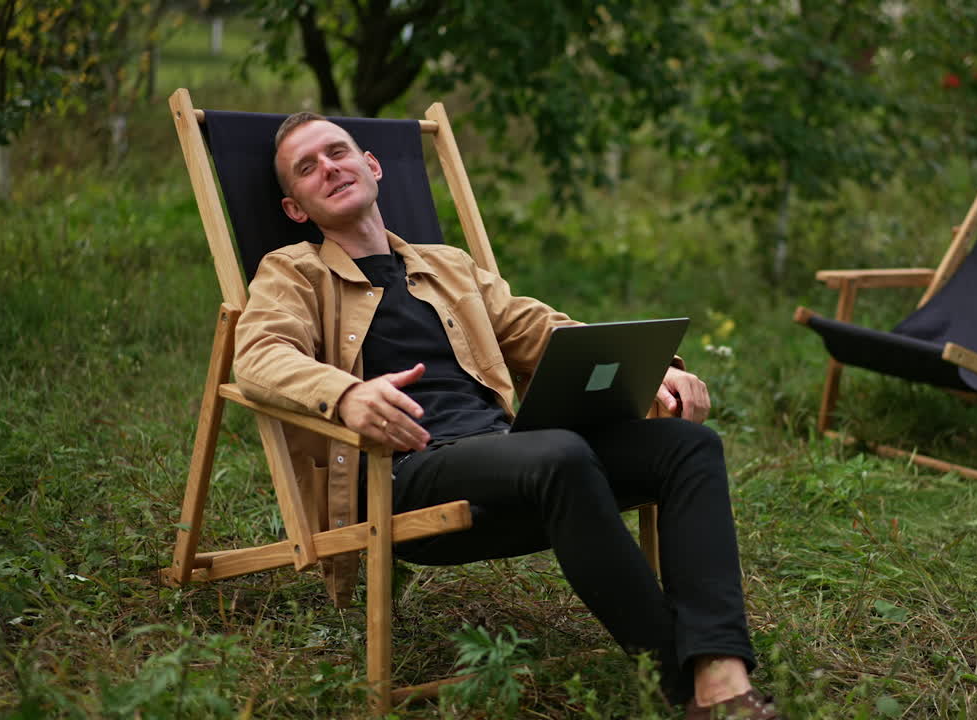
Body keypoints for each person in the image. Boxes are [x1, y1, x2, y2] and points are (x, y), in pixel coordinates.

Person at [233, 111, 785, 719]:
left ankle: (720, 671)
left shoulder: (448, 265)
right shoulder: (293, 272)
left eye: (337, 152)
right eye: (307, 168)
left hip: (509, 457)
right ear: (295, 208)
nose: (329, 168)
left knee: (686, 445)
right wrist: (346, 395)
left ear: (371, 165)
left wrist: (652, 369)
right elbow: (258, 356)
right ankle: (681, 681)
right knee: (559, 453)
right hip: (407, 473)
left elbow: (543, 330)